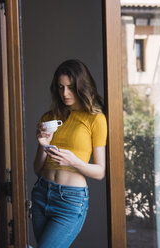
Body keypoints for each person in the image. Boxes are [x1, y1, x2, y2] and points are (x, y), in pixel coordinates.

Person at [32, 59, 107, 248]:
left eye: (71, 87)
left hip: (70, 200)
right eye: (61, 87)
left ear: (82, 86)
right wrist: (43, 145)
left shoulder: (96, 119)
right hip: (41, 193)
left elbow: (100, 172)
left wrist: (74, 161)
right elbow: (37, 169)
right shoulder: (49, 118)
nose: (65, 93)